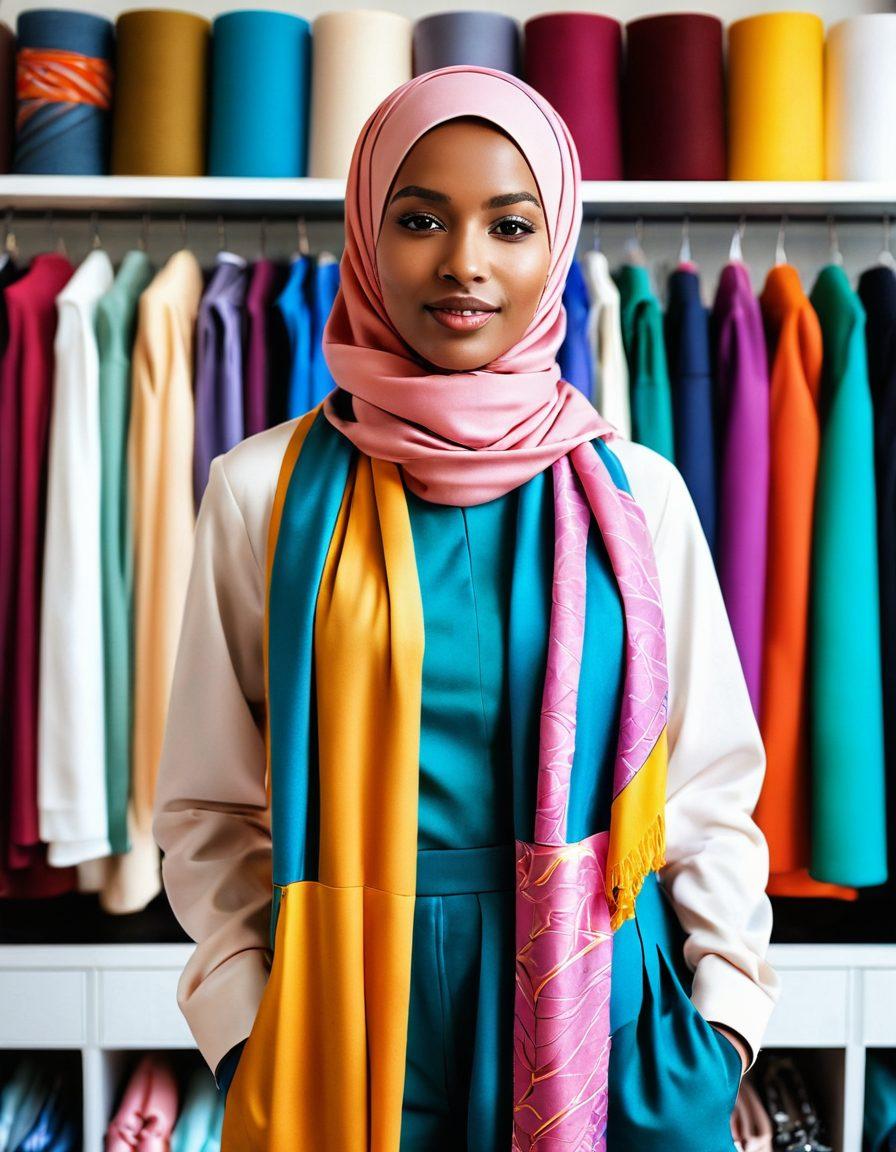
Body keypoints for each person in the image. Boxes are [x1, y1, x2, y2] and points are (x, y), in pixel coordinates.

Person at [153, 65, 780, 1151]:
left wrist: (719, 1020)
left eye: (509, 222)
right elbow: (209, 810)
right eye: (418, 219)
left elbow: (706, 788)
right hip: (344, 1034)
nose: (464, 264)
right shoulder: (260, 491)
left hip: (606, 1028)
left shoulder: (636, 498)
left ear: (556, 242)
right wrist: (247, 1030)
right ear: (362, 231)